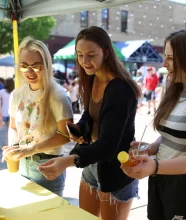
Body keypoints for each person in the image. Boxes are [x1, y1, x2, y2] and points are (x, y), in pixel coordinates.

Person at [39, 26, 141, 220]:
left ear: (107, 52)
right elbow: (90, 115)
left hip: (116, 169)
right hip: (92, 164)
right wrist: (80, 129)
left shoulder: (120, 89)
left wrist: (69, 160)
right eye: (80, 55)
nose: (85, 61)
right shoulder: (92, 78)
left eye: (91, 55)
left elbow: (108, 145)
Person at [121, 28, 186, 220]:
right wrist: (151, 148)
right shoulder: (176, 91)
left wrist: (155, 166)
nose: (164, 63)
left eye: (171, 58)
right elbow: (171, 134)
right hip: (161, 178)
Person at [2, 37, 73, 196]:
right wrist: (13, 147)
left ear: (46, 65)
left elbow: (65, 136)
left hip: (47, 165)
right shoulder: (17, 94)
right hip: (22, 164)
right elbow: (13, 127)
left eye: (36, 66)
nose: (30, 71)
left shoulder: (58, 96)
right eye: (24, 66)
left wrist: (31, 149)